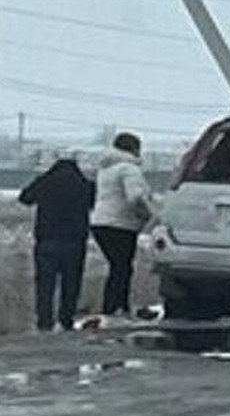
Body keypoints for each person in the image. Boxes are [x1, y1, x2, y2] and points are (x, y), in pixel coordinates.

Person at [18, 151, 96, 332]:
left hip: (47, 240)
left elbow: (25, 198)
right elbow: (95, 202)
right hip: (75, 241)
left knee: (45, 283)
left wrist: (41, 179)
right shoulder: (84, 184)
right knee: (72, 283)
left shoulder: (45, 181)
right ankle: (66, 319)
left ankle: (44, 321)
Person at [91, 132, 155, 316]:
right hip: (120, 224)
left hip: (100, 222)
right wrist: (148, 215)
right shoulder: (129, 169)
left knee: (117, 266)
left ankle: (113, 307)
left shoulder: (105, 168)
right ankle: (116, 308)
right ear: (134, 149)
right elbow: (135, 197)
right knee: (123, 268)